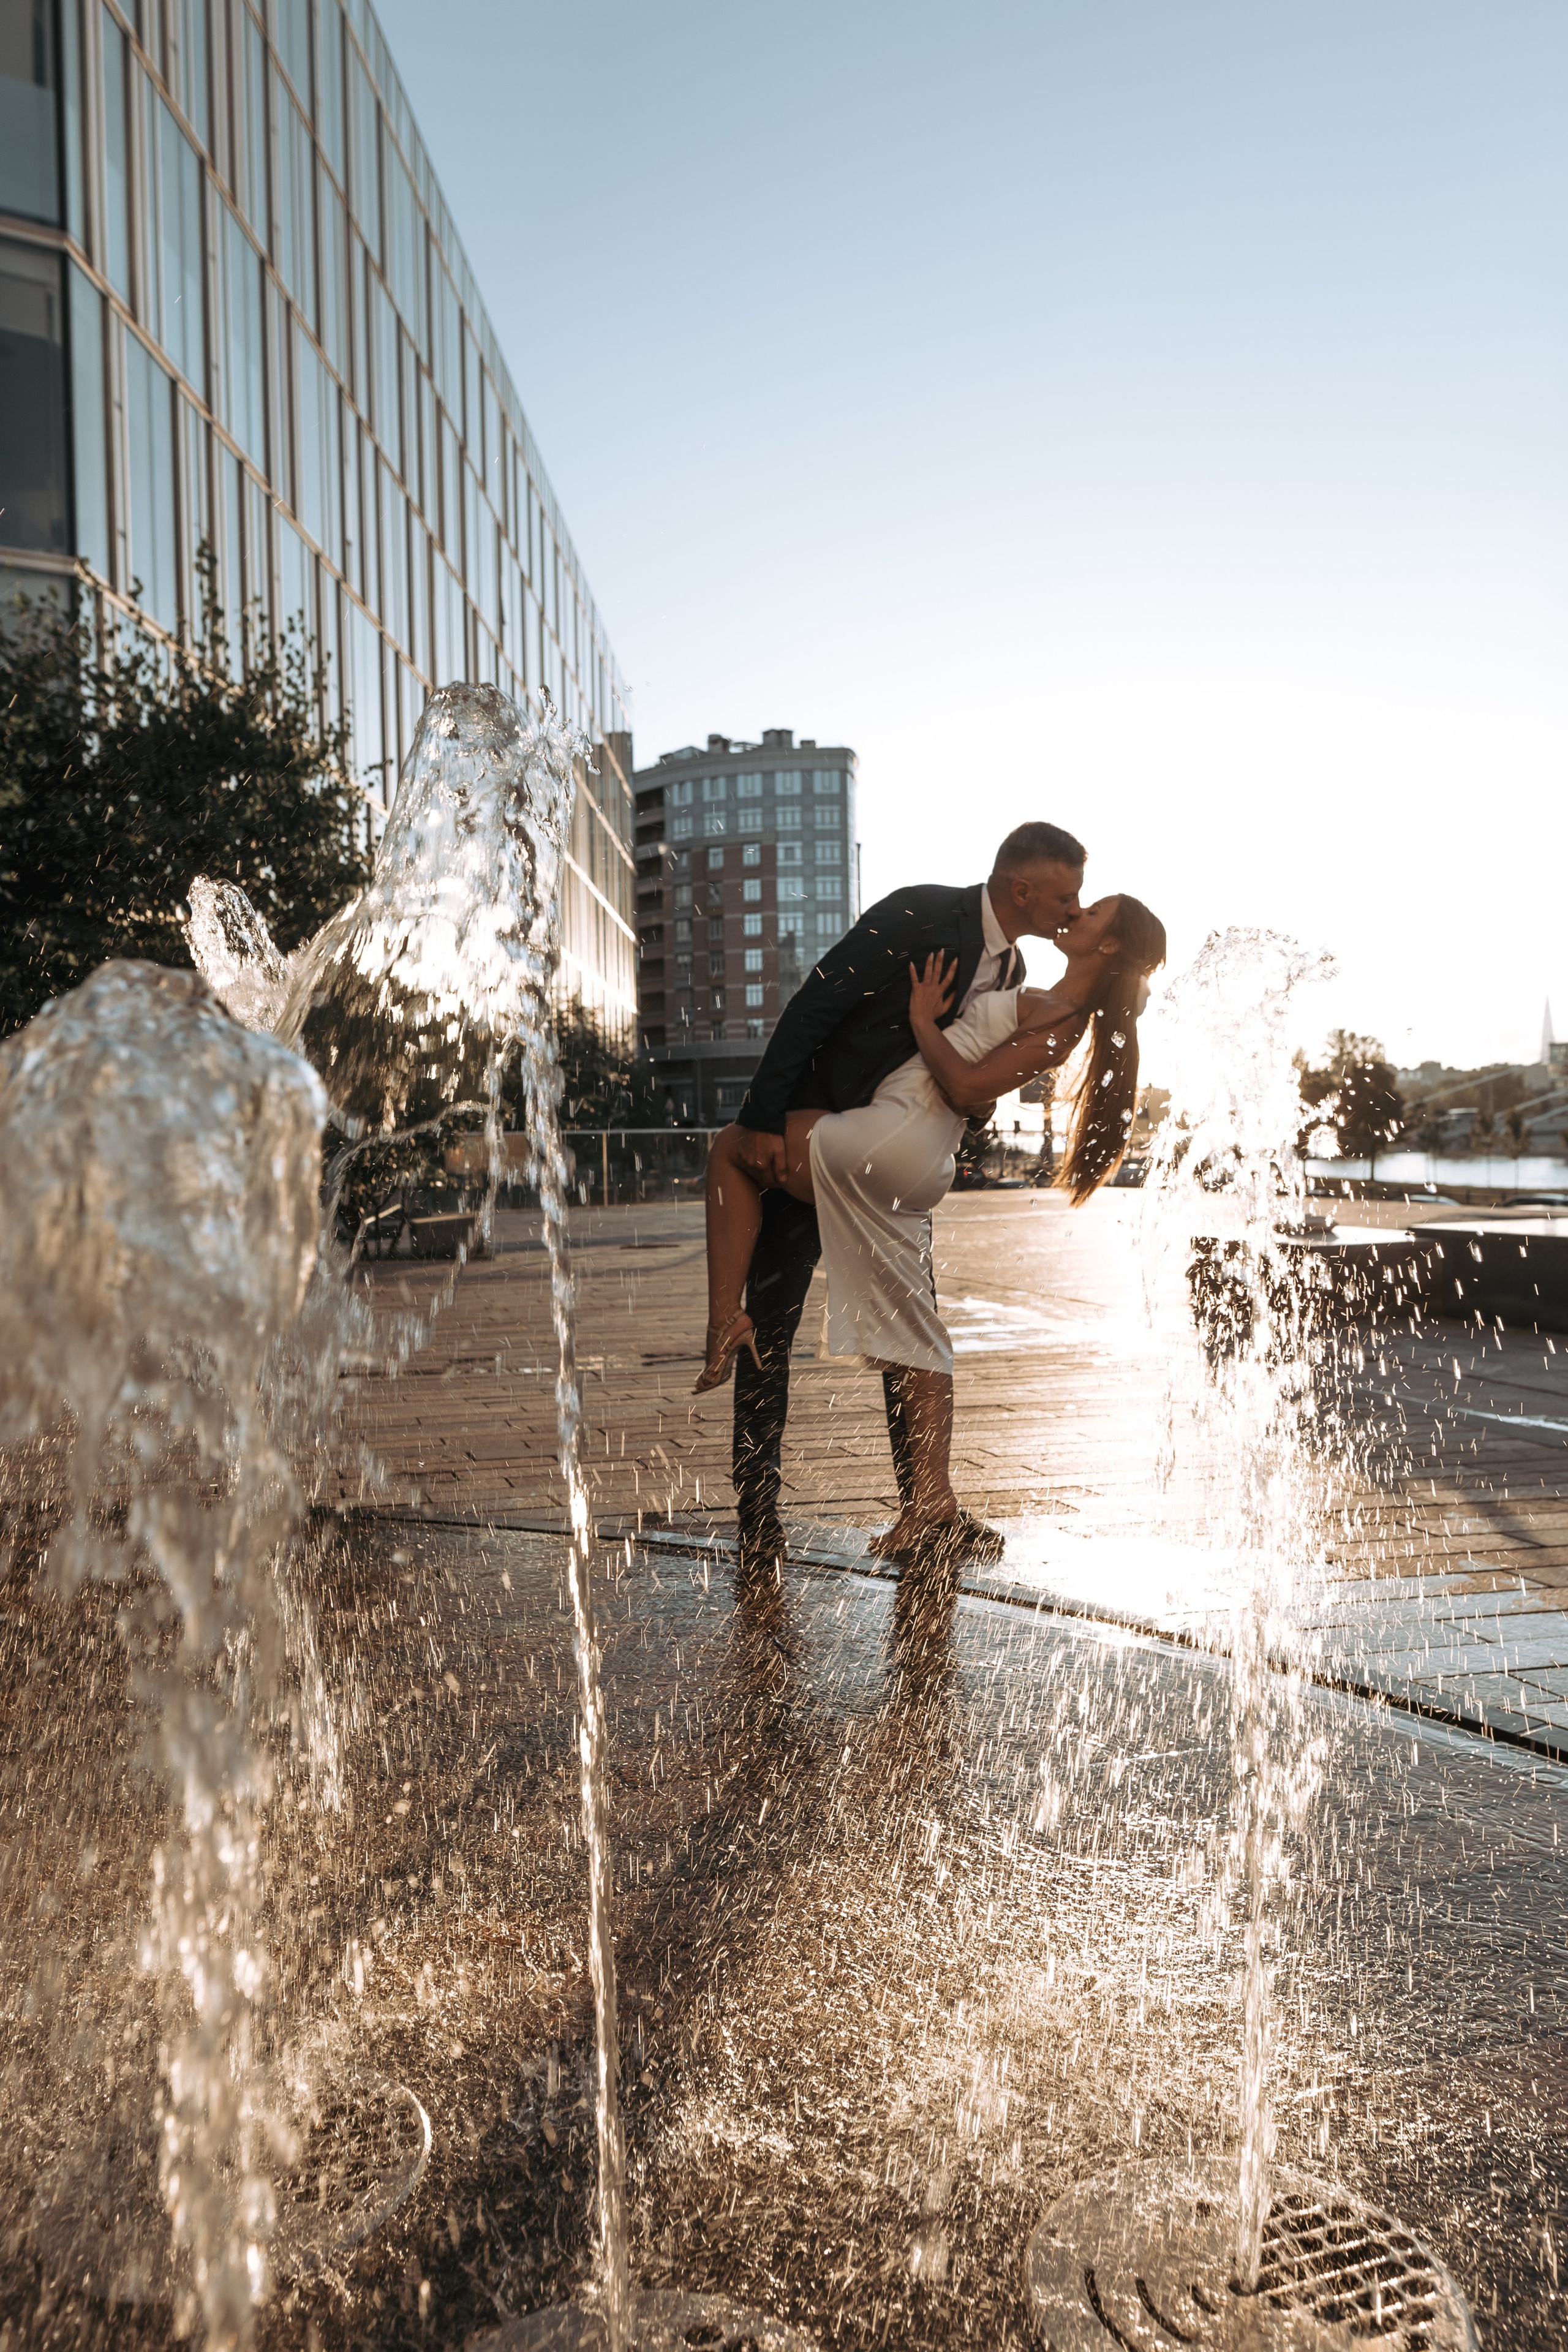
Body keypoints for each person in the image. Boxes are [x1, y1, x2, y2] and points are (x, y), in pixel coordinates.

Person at [699, 889, 1165, 1564]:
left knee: (732, 1148)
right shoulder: (1038, 993)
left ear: (1110, 945)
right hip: (911, 1150)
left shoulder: (1062, 1015)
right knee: (919, 1338)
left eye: (1091, 912)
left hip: (894, 1138)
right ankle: (932, 1506)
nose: (1076, 911)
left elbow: (968, 1089)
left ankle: (724, 1317)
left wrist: (921, 1020)